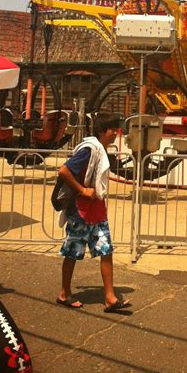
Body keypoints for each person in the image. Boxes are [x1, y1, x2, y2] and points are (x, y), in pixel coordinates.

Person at [56, 113, 131, 313]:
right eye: (112, 129)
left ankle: (110, 298)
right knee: (73, 254)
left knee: (106, 252)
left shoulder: (100, 151)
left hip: (97, 211)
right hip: (81, 212)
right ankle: (64, 293)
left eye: (116, 129)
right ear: (101, 131)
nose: (115, 133)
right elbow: (63, 170)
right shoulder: (89, 150)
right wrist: (82, 190)